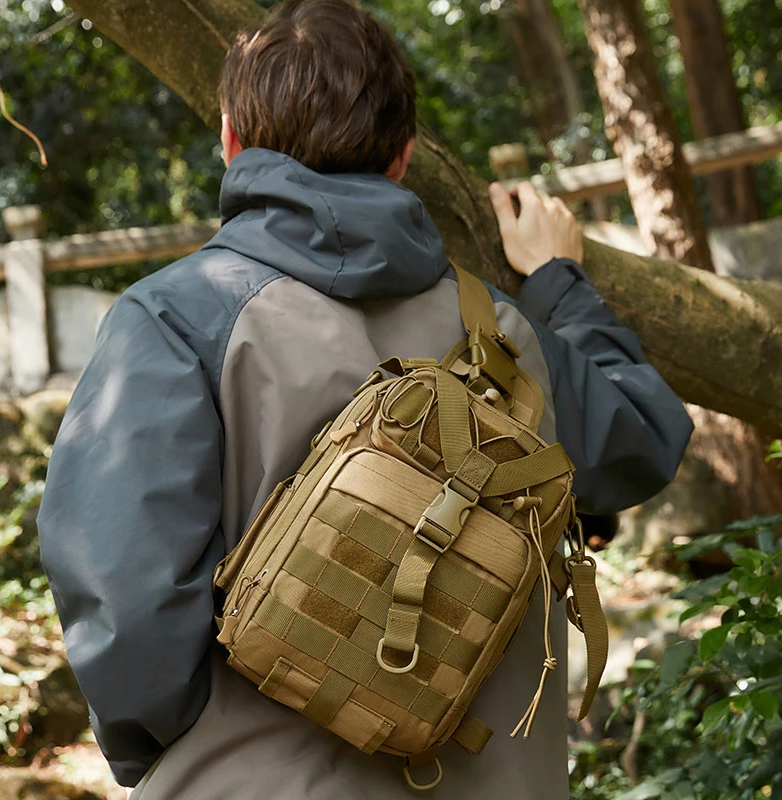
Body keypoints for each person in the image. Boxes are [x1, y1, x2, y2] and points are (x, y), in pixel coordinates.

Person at [37, 1, 693, 797]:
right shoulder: (509, 328)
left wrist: (186, 758)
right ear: (404, 155)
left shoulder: (177, 319)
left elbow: (124, 603)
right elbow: (646, 436)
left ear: (229, 140)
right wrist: (558, 282)